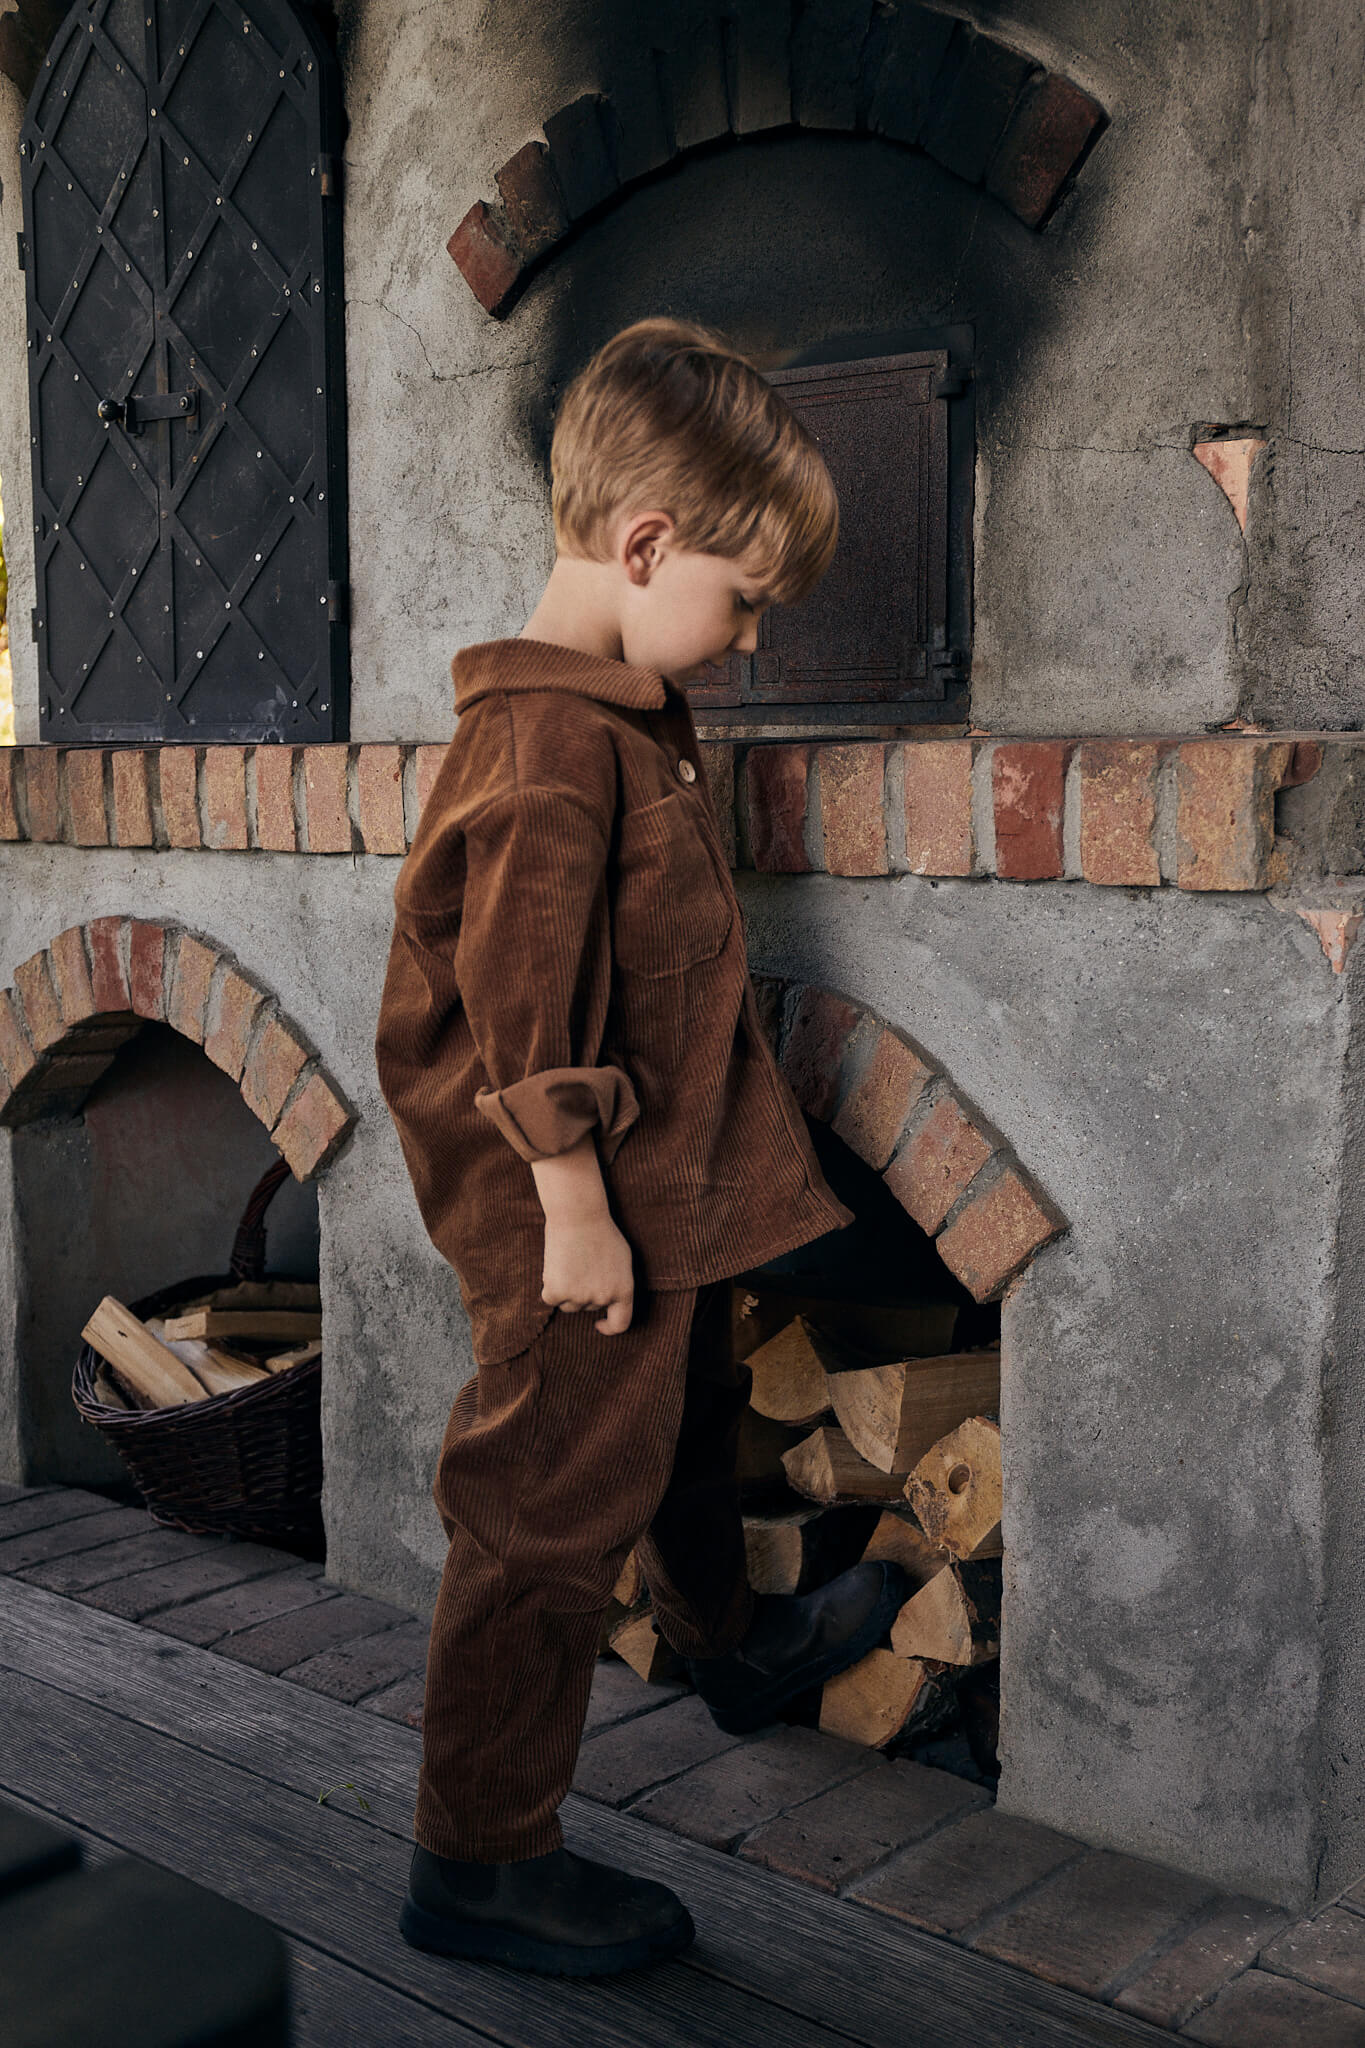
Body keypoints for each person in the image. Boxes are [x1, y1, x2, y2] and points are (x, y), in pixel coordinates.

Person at [373, 315, 911, 1978]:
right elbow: (520, 998)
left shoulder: (616, 726)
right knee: (541, 1508)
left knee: (675, 1431)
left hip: (640, 1194)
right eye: (742, 602)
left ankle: (728, 1646)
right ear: (646, 544)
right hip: (568, 1215)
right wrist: (570, 1210)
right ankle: (477, 1859)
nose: (746, 640)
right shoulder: (550, 753)